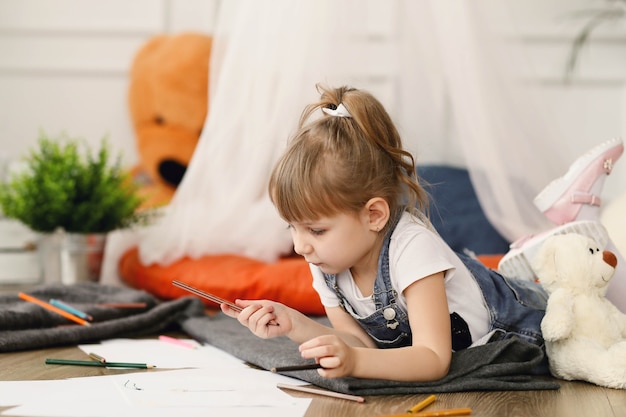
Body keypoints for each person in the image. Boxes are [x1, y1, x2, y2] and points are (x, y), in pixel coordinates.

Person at [221, 84, 552, 382]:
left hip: (530, 330)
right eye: (291, 227)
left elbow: (433, 358)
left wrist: (355, 362)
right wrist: (295, 325)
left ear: (374, 215)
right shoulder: (325, 263)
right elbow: (361, 345)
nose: (300, 245)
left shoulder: (413, 249)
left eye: (316, 230)